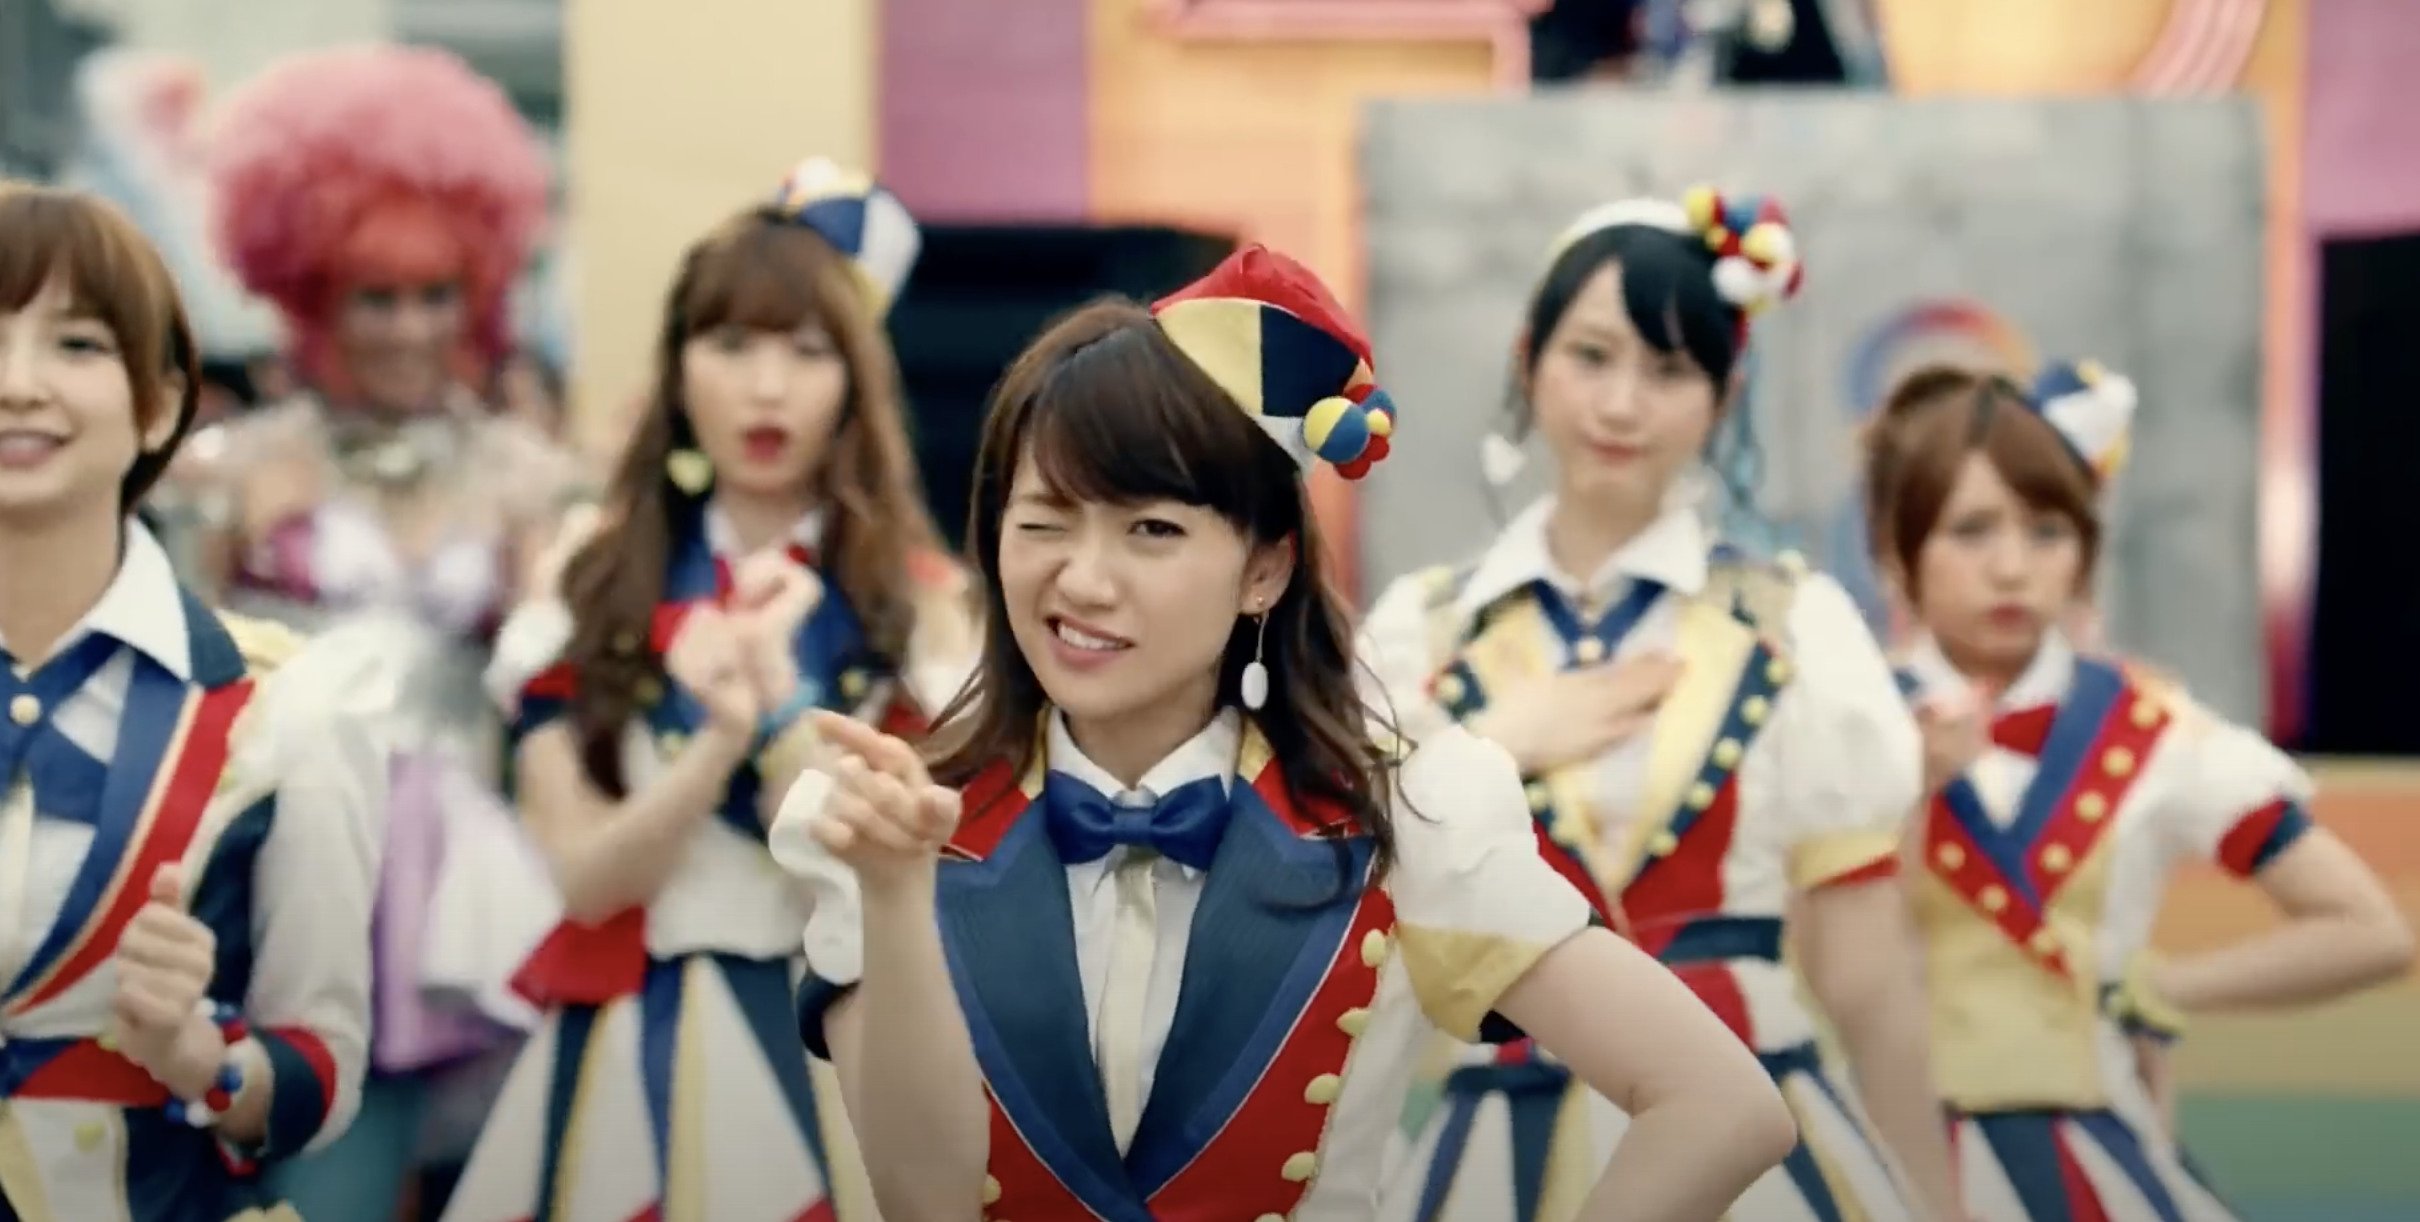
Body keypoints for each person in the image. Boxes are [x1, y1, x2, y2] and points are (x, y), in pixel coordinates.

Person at [769, 243, 1800, 1222]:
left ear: (1263, 568)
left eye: (1151, 530)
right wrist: (896, 893)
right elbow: (924, 1200)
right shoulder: (887, 824)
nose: (1082, 579)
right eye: (1042, 522)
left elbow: (1720, 1105)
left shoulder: (1408, 818)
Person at [1362, 190, 1961, 1222]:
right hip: (1495, 1136)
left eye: (1669, 369)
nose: (1621, 404)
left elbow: (1864, 975)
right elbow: (1342, 917)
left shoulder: (1796, 626)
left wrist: (1938, 1202)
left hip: (1762, 1137)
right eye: (1591, 356)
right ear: (1528, 360)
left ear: (1724, 397)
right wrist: (1495, 741)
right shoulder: (1419, 632)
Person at [444, 157, 977, 1222]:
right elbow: (584, 884)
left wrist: (777, 713)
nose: (766, 387)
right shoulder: (591, 576)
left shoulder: (918, 605)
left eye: (807, 350)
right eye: (730, 344)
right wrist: (714, 746)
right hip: (622, 1037)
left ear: (855, 380)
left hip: (837, 1036)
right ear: (678, 366)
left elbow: (901, 879)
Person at [1864, 360, 2416, 1221]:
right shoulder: (1841, 717)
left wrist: (2151, 988)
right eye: (1971, 531)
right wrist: (1912, 788)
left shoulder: (2153, 730)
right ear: (1898, 553)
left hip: (2092, 1148)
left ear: (2086, 552)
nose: (2011, 568)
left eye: (2047, 531)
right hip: (1882, 1148)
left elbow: (2370, 931)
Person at [189, 44, 572, 1219]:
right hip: (278, 863)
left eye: (435, 293)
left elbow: (562, 694)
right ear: (310, 294)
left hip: (463, 889)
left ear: (479, 292)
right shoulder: (233, 474)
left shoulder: (527, 479)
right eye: (375, 295)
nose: (409, 327)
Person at [0, 181, 386, 1218]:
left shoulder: (288, 707)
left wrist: (200, 1057)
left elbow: (320, 1069)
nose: (18, 385)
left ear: (161, 404)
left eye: (76, 344)